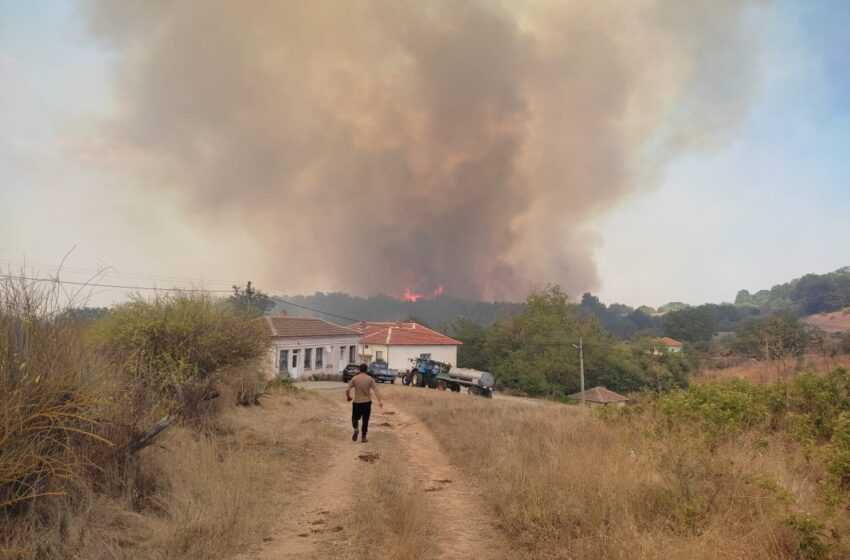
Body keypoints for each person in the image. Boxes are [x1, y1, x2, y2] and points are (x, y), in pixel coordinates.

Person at [346, 363, 383, 443]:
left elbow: (347, 389)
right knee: (365, 420)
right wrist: (380, 400)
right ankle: (363, 437)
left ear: (359, 369)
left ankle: (356, 428)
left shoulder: (355, 378)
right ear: (366, 370)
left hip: (357, 402)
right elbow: (376, 390)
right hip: (367, 403)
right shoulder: (370, 379)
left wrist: (348, 397)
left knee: (354, 418)